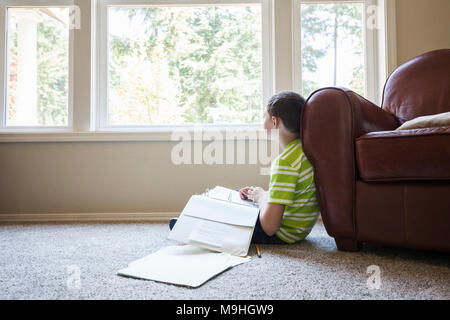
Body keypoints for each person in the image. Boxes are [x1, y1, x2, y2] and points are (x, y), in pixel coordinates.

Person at [240, 91, 320, 244]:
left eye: (265, 116)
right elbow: (293, 193)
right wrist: (262, 195)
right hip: (299, 230)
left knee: (221, 213)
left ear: (275, 121)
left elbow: (269, 227)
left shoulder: (285, 162)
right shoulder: (305, 151)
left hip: (281, 233)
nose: (263, 120)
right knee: (240, 195)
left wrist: (262, 197)